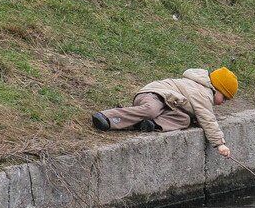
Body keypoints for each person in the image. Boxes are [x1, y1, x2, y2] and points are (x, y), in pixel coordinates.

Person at [92, 67, 237, 158]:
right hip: (154, 96)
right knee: (151, 110)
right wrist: (220, 144)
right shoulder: (202, 93)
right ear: (216, 88)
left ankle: (150, 124)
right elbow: (208, 119)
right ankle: (108, 117)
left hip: (167, 105)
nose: (223, 101)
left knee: (184, 120)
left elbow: (197, 114)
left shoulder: (202, 92)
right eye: (224, 97)